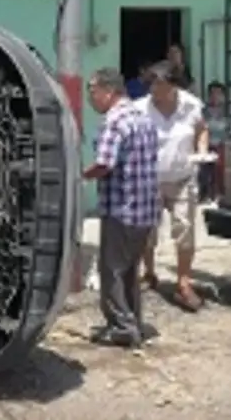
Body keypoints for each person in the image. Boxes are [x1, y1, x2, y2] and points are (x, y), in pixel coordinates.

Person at [84, 67, 159, 348]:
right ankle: (133, 321)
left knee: (112, 271)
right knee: (129, 270)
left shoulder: (114, 122)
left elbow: (104, 163)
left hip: (121, 209)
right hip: (144, 211)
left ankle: (121, 327)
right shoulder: (143, 117)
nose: (91, 99)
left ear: (108, 91)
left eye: (93, 92)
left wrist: (80, 176)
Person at [137, 61, 209, 312]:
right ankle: (149, 274)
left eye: (160, 84)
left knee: (185, 231)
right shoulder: (141, 108)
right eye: (152, 83)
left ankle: (183, 283)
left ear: (173, 84)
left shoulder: (191, 105)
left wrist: (201, 151)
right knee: (147, 231)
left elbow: (201, 129)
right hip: (149, 180)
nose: (154, 89)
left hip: (182, 179)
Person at [201, 81, 230, 203]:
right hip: (207, 144)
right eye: (213, 93)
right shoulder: (203, 110)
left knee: (221, 172)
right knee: (207, 173)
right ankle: (207, 195)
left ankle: (220, 195)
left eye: (219, 93)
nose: (216, 96)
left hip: (222, 145)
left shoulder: (228, 111)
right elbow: (204, 127)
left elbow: (228, 128)